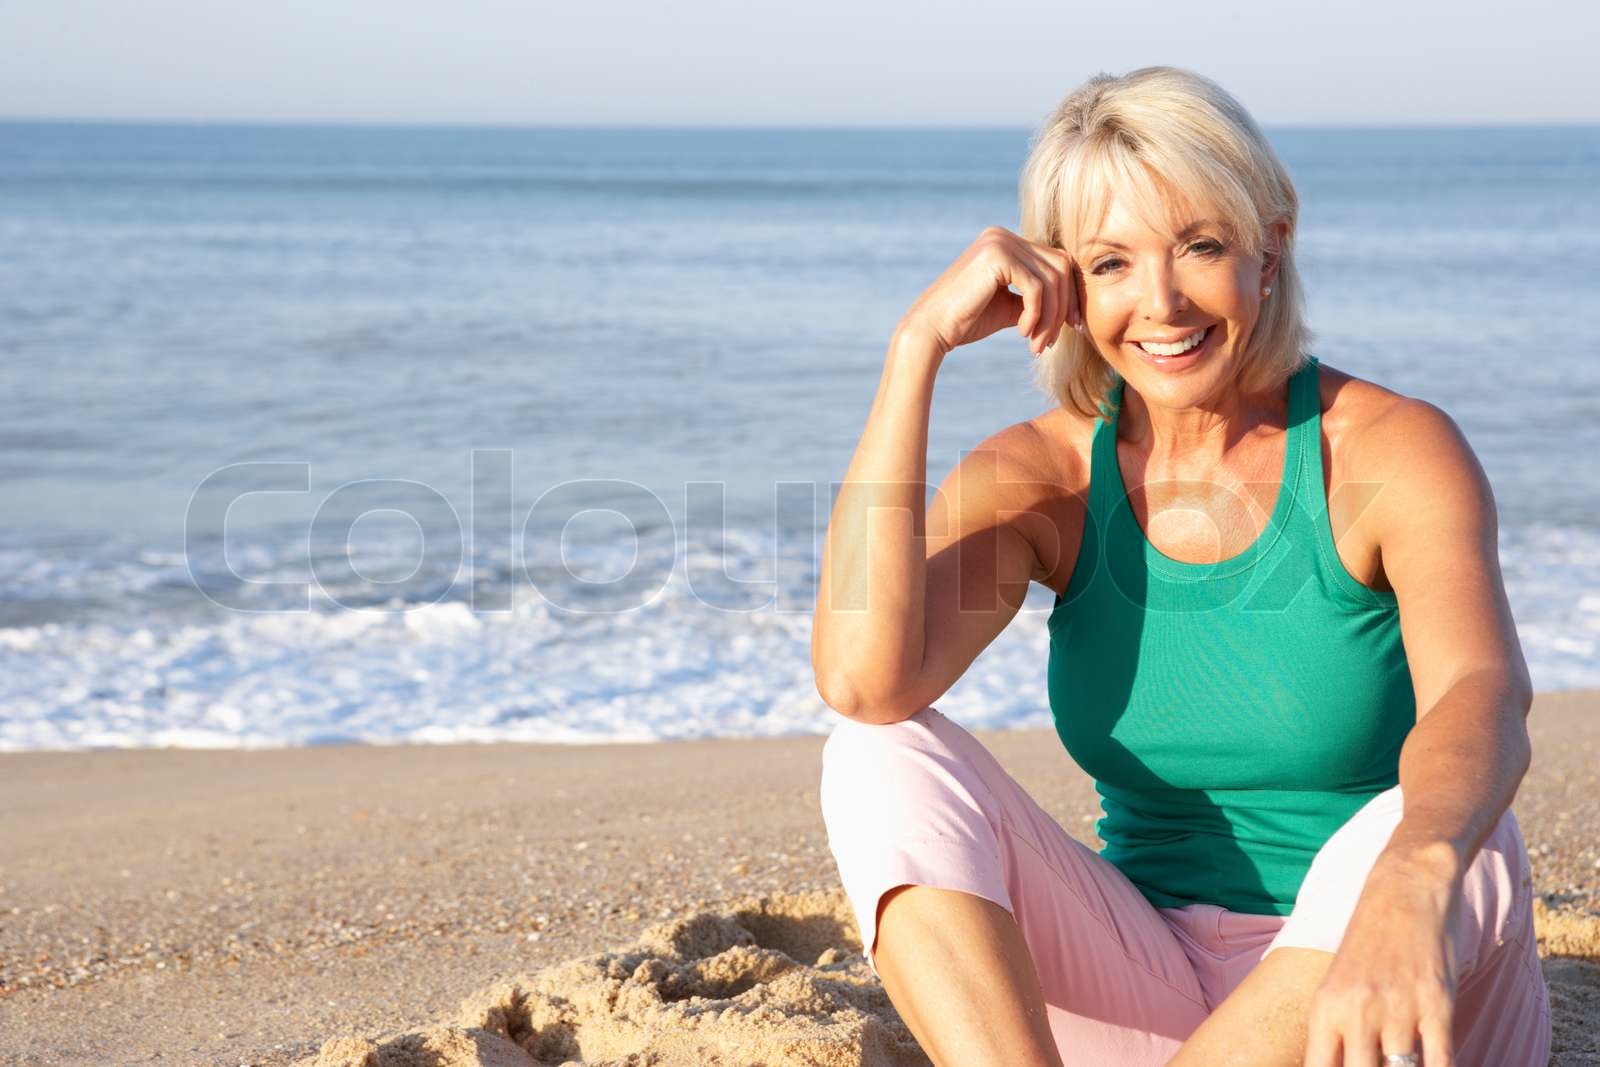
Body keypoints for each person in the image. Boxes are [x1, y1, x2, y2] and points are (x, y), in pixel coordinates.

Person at [811, 66, 1551, 1067]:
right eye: (1111, 262)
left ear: (1268, 247)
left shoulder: (1385, 449)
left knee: (1461, 837)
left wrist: (1411, 875)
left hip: (1373, 980)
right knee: (876, 748)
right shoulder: (1045, 477)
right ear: (1060, 282)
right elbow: (867, 679)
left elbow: (1479, 689)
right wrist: (916, 348)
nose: (1159, 303)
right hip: (1152, 984)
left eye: (1199, 246)